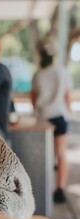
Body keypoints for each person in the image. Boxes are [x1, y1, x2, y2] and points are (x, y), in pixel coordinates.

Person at [31, 48, 73, 203]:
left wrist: (36, 112)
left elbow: (33, 97)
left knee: (44, 156)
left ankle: (42, 189)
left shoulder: (38, 74)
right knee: (61, 153)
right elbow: (67, 95)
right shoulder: (62, 72)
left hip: (43, 117)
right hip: (60, 115)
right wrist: (68, 113)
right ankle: (60, 189)